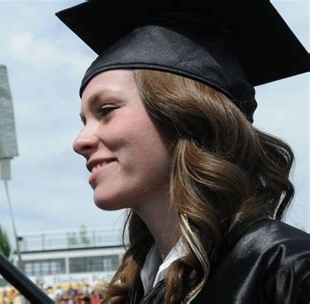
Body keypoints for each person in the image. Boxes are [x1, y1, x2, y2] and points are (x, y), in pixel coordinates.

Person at [56, 0, 309, 303]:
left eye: (106, 110)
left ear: (187, 116)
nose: (80, 141)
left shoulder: (287, 272)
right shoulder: (138, 288)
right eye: (84, 121)